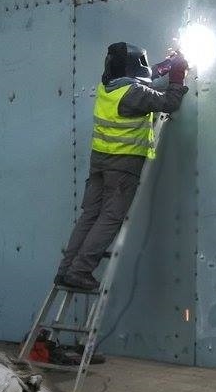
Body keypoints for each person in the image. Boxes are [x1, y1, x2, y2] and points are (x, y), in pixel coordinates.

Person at [54, 42, 188, 291]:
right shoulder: (134, 94)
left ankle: (65, 270)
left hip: (100, 162)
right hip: (123, 164)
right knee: (111, 217)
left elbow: (145, 78)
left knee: (89, 215)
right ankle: (80, 271)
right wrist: (178, 76)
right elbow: (169, 102)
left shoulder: (107, 87)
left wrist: (168, 65)